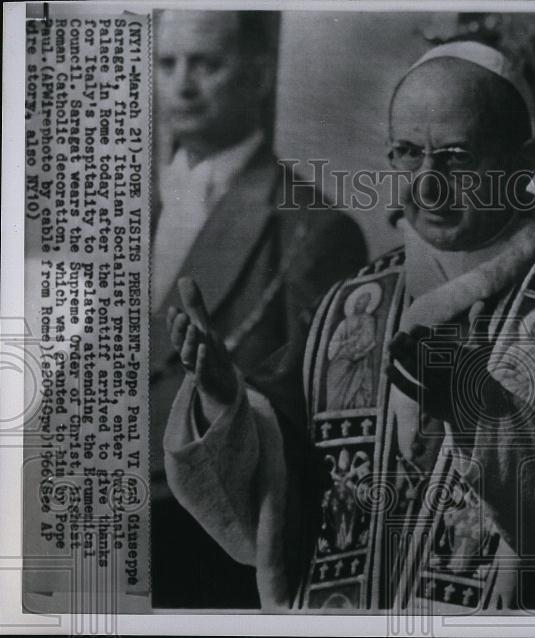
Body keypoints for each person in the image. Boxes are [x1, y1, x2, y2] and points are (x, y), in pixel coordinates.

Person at [162, 41, 535, 611]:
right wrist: (221, 401)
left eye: (456, 158)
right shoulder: (352, 304)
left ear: (525, 163)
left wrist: (480, 413)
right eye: (409, 154)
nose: (428, 184)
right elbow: (274, 493)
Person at [149, 10, 367, 607]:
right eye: (167, 64)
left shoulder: (313, 228)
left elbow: (321, 428)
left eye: (206, 63)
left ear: (260, 73)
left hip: (207, 550)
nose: (182, 84)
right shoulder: (117, 203)